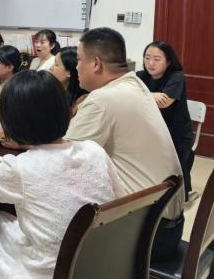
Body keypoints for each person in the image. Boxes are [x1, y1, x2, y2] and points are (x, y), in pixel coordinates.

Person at [0, 69, 124, 278]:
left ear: (12, 121)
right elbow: (120, 201)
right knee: (0, 220)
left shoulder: (21, 168)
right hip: (100, 261)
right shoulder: (94, 151)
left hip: (50, 270)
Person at [65, 27, 184, 261]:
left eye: (79, 60)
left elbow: (63, 162)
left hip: (146, 234)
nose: (76, 67)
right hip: (166, 223)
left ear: (96, 64)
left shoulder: (102, 100)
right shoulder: (134, 84)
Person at [136, 41, 194, 200]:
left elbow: (164, 102)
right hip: (153, 131)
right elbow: (126, 95)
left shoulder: (177, 76)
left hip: (176, 133)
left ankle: (178, 198)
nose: (150, 63)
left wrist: (142, 96)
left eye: (157, 59)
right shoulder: (140, 76)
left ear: (168, 61)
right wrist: (151, 95)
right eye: (147, 58)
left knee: (174, 171)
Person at [50, 46, 88, 116]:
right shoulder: (55, 91)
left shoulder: (82, 102)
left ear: (69, 72)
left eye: (56, 64)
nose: (51, 68)